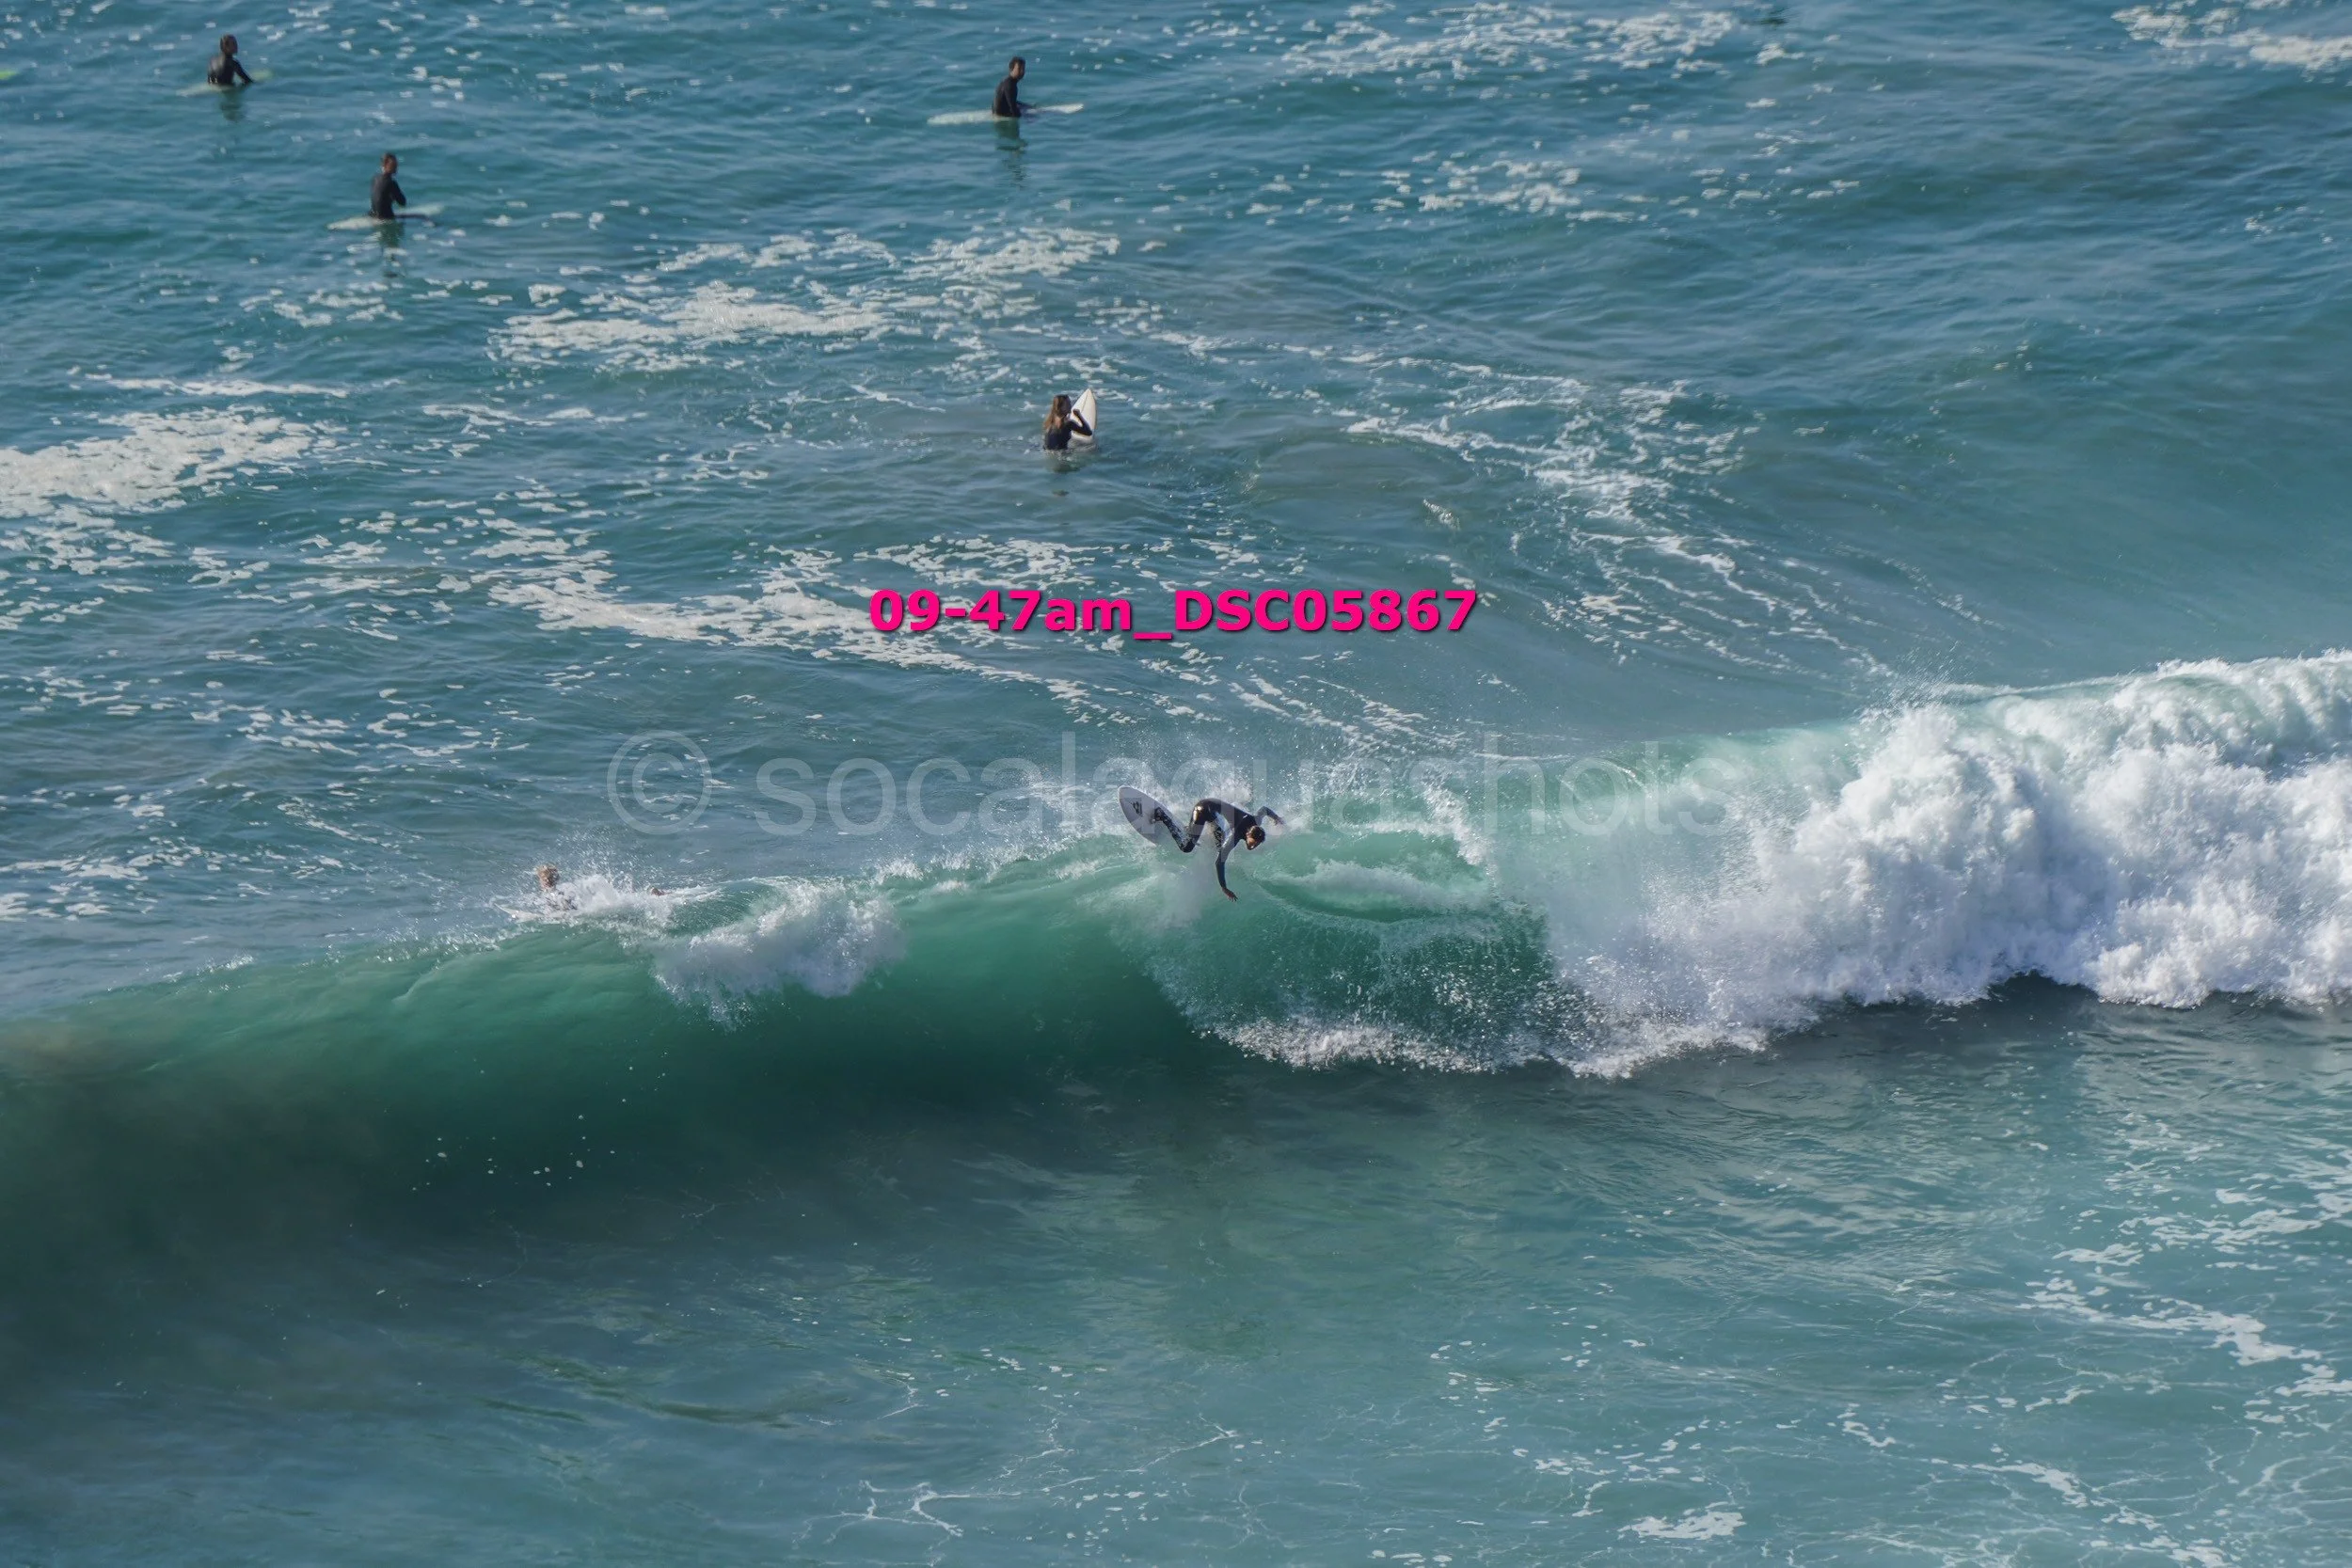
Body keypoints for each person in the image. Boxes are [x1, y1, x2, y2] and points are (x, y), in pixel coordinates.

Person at [1141, 798, 1283, 900]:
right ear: (1248, 835)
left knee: (1218, 844)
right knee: (1187, 847)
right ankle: (1162, 816)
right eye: (1253, 843)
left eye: (1256, 845)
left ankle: (1190, 831)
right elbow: (1219, 862)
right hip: (1202, 810)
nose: (1253, 846)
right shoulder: (1236, 835)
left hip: (1213, 811)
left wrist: (1276, 818)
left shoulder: (1256, 822)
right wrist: (1224, 887)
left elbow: (1264, 809)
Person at [370, 153, 407, 221]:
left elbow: (378, 197)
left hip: (372, 215)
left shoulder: (375, 178)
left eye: (396, 165)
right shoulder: (391, 183)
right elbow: (402, 203)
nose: (396, 167)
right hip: (386, 217)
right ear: (385, 165)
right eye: (394, 165)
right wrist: (393, 197)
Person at [993, 55, 1025, 119]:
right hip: (1002, 115)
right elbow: (1013, 109)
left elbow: (1011, 101)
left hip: (998, 112)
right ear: (1011, 69)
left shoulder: (1007, 81)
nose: (1022, 72)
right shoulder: (1010, 85)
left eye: (1023, 69)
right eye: (1019, 69)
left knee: (1026, 106)